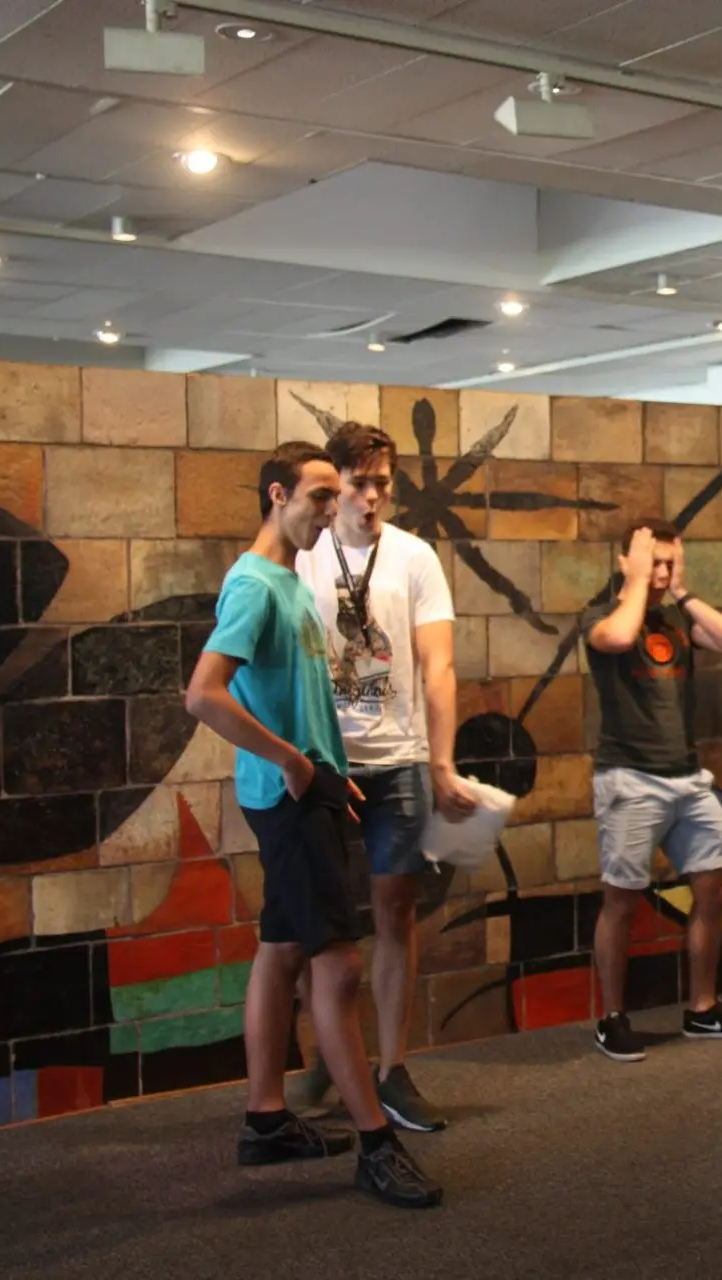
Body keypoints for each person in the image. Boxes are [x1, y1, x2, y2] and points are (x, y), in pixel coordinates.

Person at [184, 441, 443, 1208]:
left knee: (282, 948)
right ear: (277, 495)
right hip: (290, 798)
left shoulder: (290, 579)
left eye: (337, 497)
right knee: (338, 968)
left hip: (312, 791)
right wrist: (296, 764)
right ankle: (376, 1143)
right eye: (321, 497)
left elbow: (297, 696)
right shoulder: (254, 585)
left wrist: (324, 765)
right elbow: (203, 694)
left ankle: (266, 1120)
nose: (334, 511)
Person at [285, 422, 477, 1133]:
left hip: (397, 759)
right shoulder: (305, 554)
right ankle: (330, 1059)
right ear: (332, 486)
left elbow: (439, 665)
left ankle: (393, 1067)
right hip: (325, 762)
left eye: (382, 485)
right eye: (359, 484)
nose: (371, 498)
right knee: (321, 923)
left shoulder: (414, 557)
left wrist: (441, 760)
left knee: (395, 911)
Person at [583, 520, 722, 1062]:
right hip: (629, 779)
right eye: (654, 561)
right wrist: (637, 580)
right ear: (627, 562)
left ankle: (703, 1009)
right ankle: (612, 1018)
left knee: (712, 888)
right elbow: (620, 638)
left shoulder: (678, 618)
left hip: (688, 779)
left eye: (670, 563)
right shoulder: (602, 617)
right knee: (622, 900)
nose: (662, 572)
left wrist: (683, 590)